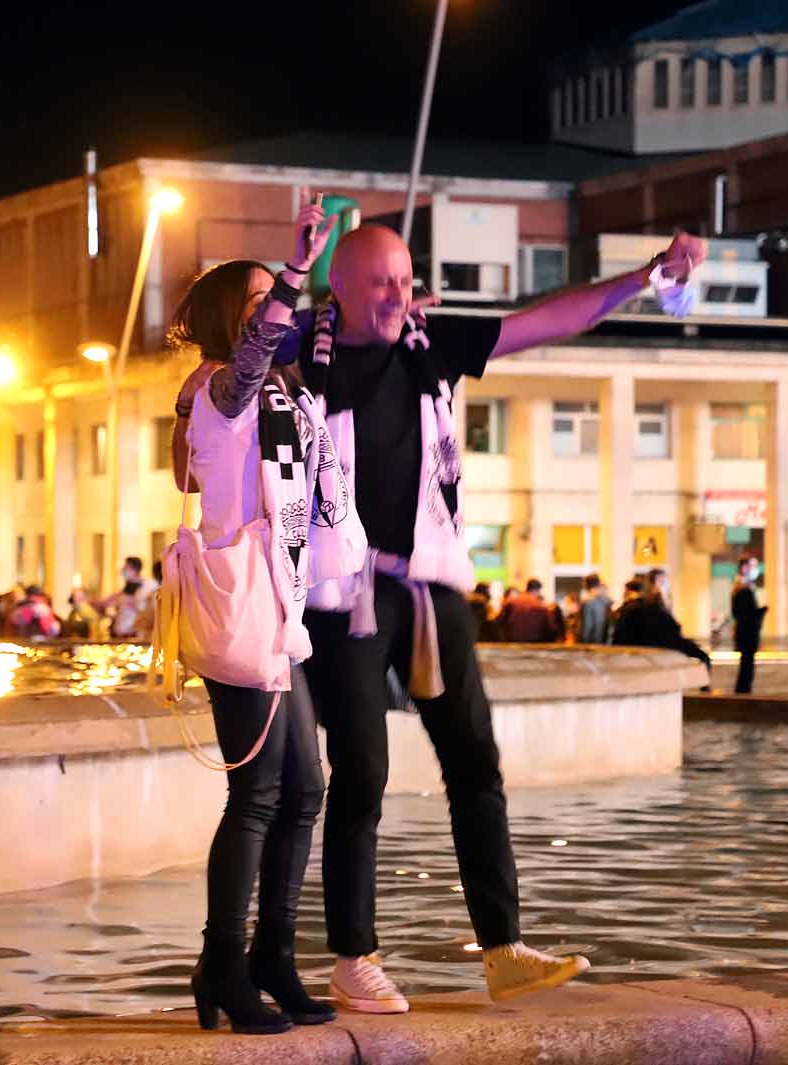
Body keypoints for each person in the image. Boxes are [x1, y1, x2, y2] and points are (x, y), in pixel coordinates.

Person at [295, 222, 701, 1010]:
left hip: (431, 582)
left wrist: (647, 274)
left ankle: (503, 943)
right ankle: (353, 956)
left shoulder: (432, 343)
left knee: (476, 764)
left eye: (406, 281)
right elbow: (224, 376)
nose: (398, 296)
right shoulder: (297, 359)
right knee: (363, 773)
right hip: (343, 592)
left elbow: (552, 319)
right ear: (338, 287)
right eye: (381, 283)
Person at [173, 193, 353, 1034]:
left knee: (306, 789)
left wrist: (330, 287)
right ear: (230, 322)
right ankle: (222, 963)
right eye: (256, 305)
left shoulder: (284, 394)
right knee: (257, 794)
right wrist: (293, 270)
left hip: (282, 609)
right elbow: (250, 359)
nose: (273, 315)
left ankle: (272, 955)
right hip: (243, 613)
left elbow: (315, 361)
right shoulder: (223, 392)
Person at [610, 569, 711, 675]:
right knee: (702, 656)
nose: (665, 584)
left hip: (656, 641)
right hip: (656, 642)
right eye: (662, 581)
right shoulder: (648, 602)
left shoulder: (651, 601)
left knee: (701, 656)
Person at [730, 556, 767, 694]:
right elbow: (747, 614)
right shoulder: (742, 589)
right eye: (753, 565)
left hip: (746, 633)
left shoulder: (743, 587)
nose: (756, 569)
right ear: (744, 568)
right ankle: (743, 692)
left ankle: (743, 691)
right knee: (747, 666)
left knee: (747, 665)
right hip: (747, 634)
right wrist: (762, 610)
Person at [495, 579, 561, 643]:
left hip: (512, 646)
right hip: (535, 647)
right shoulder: (541, 606)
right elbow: (552, 629)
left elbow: (498, 623)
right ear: (537, 590)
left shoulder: (511, 603)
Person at [102, 557, 152, 640]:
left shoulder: (144, 588)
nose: (122, 571)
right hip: (120, 634)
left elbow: (143, 611)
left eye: (125, 568)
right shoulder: (125, 589)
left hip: (133, 635)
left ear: (134, 569)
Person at [576, 575, 609, 645]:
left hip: (590, 644)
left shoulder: (588, 602)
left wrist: (582, 643)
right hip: (602, 642)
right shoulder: (605, 601)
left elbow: (587, 626)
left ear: (586, 585)